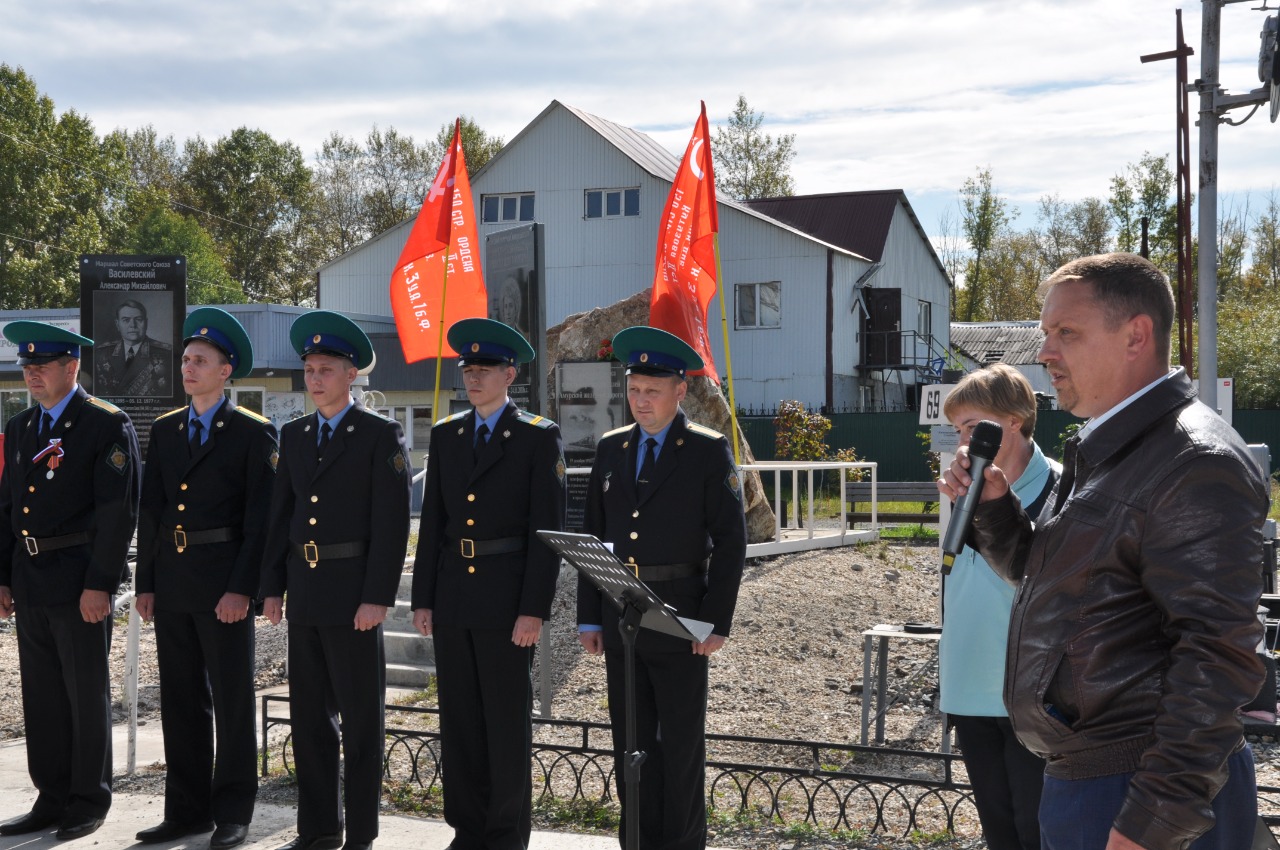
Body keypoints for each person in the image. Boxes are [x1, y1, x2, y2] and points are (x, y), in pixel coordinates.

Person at [939, 253, 1267, 850]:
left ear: (1136, 335)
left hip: (1135, 791)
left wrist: (1152, 822)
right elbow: (1057, 585)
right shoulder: (1112, 446)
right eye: (1046, 334)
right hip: (1094, 776)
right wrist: (992, 509)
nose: (1045, 353)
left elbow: (1218, 659)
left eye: (1067, 333)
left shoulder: (1193, 460)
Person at [576, 325, 746, 850]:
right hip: (623, 617)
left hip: (681, 618)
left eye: (652, 391)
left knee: (678, 744)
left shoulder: (705, 450)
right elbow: (593, 537)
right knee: (630, 743)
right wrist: (589, 616)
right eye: (633, 390)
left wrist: (716, 621)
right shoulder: (612, 448)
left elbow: (731, 541)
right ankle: (639, 841)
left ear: (680, 391)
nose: (641, 401)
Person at [411, 317, 566, 850]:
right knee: (459, 721)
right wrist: (423, 598)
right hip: (455, 595)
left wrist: (533, 610)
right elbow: (434, 524)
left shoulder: (535, 438)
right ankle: (468, 829)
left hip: (506, 599)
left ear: (510, 374)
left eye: (484, 369)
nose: (473, 378)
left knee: (504, 723)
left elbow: (547, 533)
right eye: (467, 369)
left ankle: (504, 833)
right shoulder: (447, 435)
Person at [260, 311, 411, 850]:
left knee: (361, 722)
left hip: (353, 596)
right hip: (305, 592)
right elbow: (282, 516)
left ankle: (361, 833)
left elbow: (391, 526)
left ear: (352, 375)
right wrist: (272, 587)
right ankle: (319, 828)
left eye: (326, 368)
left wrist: (377, 597)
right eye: (309, 369)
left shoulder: (377, 434)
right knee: (309, 720)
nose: (315, 378)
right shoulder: (295, 436)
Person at [134, 308, 278, 849]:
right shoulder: (168, 429)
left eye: (200, 361)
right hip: (172, 583)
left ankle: (234, 809)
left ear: (226, 372)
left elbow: (258, 522)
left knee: (233, 699)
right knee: (180, 699)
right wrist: (146, 581)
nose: (188, 368)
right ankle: (187, 811)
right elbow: (153, 511)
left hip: (224, 585)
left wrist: (243, 587)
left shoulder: (252, 433)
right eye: (186, 360)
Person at [0, 321, 141, 840]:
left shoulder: (105, 424)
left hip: (79, 578)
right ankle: (51, 795)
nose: (32, 374)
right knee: (41, 696)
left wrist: (100, 583)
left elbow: (116, 511)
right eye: (27, 366)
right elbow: (7, 507)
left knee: (84, 693)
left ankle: (87, 798)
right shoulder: (21, 428)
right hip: (31, 577)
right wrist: (1, 576)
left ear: (72, 367)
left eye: (42, 366)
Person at [937, 364, 1056, 850]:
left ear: (1014, 421)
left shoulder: (1062, 490)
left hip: (1030, 693)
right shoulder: (961, 490)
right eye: (958, 429)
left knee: (1039, 827)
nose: (963, 442)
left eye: (973, 427)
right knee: (999, 830)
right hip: (969, 683)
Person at [94, 298, 173, 396]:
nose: (133, 325)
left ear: (146, 323)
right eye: (126, 320)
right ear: (117, 324)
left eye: (138, 319)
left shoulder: (167, 353)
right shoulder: (102, 353)